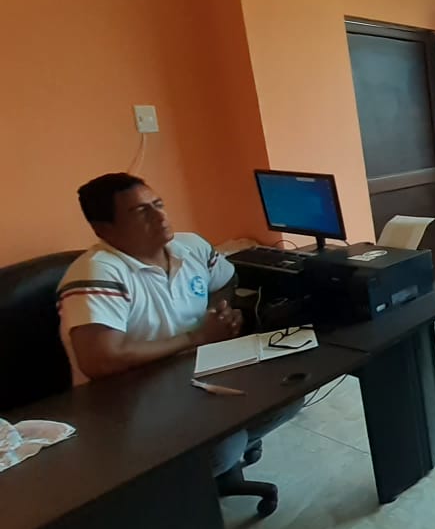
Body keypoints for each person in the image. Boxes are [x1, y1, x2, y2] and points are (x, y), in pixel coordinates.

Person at [57, 173, 297, 480]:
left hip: (195, 377)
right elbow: (100, 360)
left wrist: (220, 313)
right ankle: (172, 480)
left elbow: (225, 281)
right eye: (141, 212)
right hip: (128, 404)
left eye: (158, 204)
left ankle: (195, 469)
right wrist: (197, 336)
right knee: (224, 447)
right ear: (103, 229)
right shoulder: (97, 272)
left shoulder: (190, 246)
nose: (159, 216)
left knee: (286, 394)